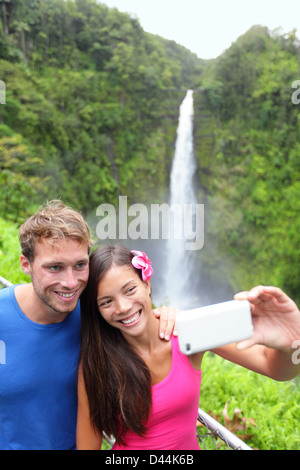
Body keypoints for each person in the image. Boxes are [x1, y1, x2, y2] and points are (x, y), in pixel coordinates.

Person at [76, 244, 300, 450]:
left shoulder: (188, 330)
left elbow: (274, 368)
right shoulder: (96, 363)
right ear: (97, 310)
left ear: (147, 284)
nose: (123, 307)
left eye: (130, 290)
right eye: (106, 301)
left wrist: (292, 343)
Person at [0, 201, 175, 450]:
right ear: (26, 264)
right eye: (55, 267)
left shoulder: (100, 315)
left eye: (80, 265)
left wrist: (169, 315)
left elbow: (139, 323)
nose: (71, 283)